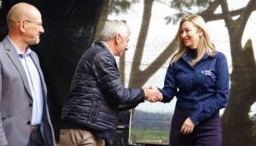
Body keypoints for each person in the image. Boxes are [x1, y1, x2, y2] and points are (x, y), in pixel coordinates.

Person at [59, 20, 160, 146]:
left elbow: (115, 100)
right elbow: (119, 94)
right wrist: (144, 93)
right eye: (127, 41)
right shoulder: (102, 56)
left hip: (83, 129)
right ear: (118, 38)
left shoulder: (97, 53)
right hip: (84, 132)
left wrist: (142, 95)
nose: (127, 47)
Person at [0, 2, 56, 146]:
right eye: (39, 24)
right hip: (12, 140)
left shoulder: (34, 57)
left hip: (40, 138)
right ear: (23, 25)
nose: (42, 30)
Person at [157, 14, 229, 146]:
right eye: (181, 32)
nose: (183, 35)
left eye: (187, 31)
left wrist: (194, 118)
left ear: (200, 31)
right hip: (181, 124)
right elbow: (168, 92)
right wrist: (155, 93)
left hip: (208, 126)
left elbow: (222, 97)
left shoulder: (218, 59)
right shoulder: (176, 61)